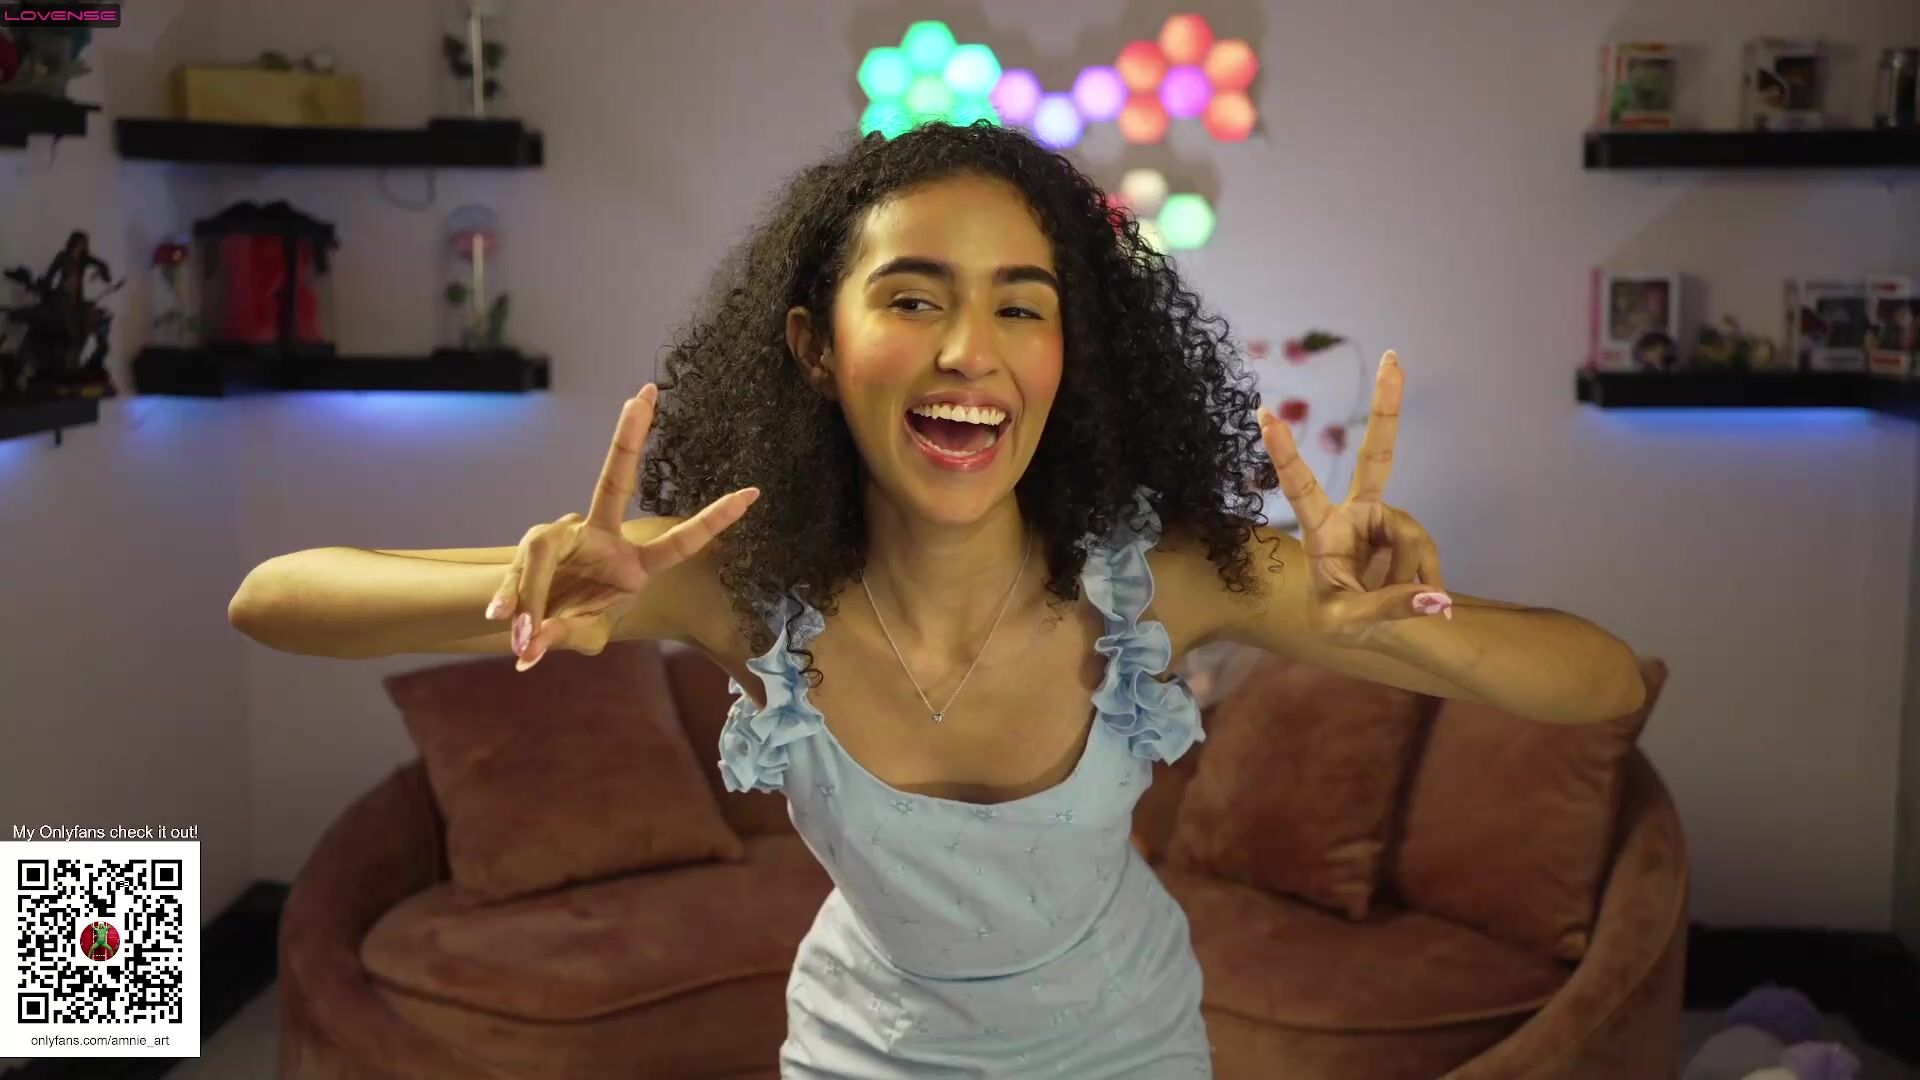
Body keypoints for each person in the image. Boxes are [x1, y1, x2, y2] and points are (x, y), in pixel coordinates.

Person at [229, 121, 1646, 1078]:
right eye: (912, 298)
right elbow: (273, 599)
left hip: (1129, 1053)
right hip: (864, 1055)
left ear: (1069, 358)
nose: (972, 348)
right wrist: (525, 580)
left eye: (1022, 305)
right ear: (814, 346)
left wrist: (1406, 620)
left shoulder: (1172, 580)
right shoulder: (732, 585)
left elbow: (1601, 685)